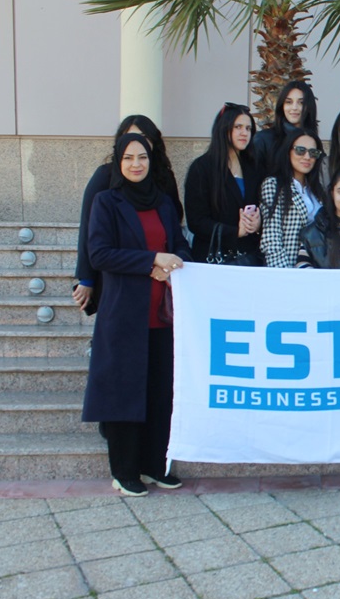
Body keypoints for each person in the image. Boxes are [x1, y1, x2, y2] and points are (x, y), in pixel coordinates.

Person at [83, 133, 192, 497]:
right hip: (123, 316)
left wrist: (174, 262)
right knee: (123, 392)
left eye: (142, 157)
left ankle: (154, 466)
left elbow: (178, 244)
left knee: (160, 393)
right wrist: (150, 262)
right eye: (128, 157)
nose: (135, 164)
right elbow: (100, 254)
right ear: (118, 161)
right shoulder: (106, 202)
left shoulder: (162, 203)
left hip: (161, 316)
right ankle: (124, 470)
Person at [74, 115, 182, 314]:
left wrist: (167, 265)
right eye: (130, 136)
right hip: (121, 279)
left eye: (143, 136)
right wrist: (86, 278)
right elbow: (89, 227)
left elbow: (175, 225)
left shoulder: (163, 177)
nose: (136, 162)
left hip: (159, 284)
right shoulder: (105, 178)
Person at [184, 102, 262, 263]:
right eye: (238, 127)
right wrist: (234, 232)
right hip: (213, 259)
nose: (244, 133)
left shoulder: (255, 168)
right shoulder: (201, 168)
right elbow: (196, 221)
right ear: (224, 128)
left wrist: (258, 222)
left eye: (248, 128)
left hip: (249, 258)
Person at [261, 129, 327, 268]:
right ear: (288, 151)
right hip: (288, 268)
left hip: (317, 270)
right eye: (300, 150)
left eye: (313, 152)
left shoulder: (318, 190)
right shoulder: (274, 185)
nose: (307, 157)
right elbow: (271, 240)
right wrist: (287, 276)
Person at [251, 80, 319, 174]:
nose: (294, 107)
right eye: (289, 102)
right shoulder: (263, 139)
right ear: (282, 105)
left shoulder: (313, 141)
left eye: (301, 103)